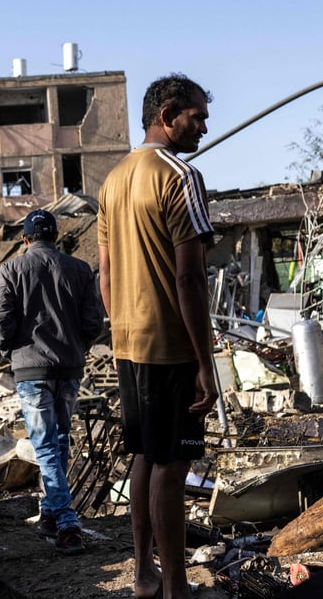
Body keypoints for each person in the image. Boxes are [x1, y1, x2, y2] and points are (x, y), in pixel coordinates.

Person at [97, 74, 219, 599]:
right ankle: (176, 588)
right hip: (170, 347)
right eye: (197, 117)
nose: (204, 127)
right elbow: (189, 278)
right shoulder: (180, 175)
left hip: (129, 345)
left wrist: (124, 322)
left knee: (145, 456)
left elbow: (104, 275)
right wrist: (204, 361)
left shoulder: (113, 179)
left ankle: (145, 575)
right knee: (172, 465)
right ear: (167, 115)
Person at [0, 209, 104, 555]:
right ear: (56, 236)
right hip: (69, 369)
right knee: (58, 442)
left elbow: (0, 320)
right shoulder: (80, 269)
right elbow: (94, 321)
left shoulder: (11, 269)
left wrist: (9, 347)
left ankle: (68, 523)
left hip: (30, 370)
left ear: (25, 239)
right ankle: (50, 513)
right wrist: (77, 346)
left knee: (45, 446)